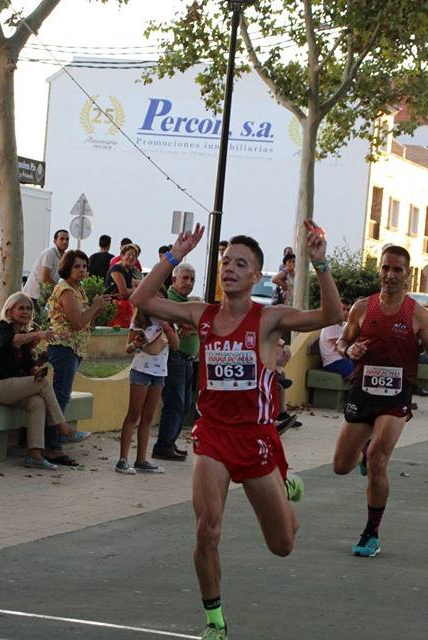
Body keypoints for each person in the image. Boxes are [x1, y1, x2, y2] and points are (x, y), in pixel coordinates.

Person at [130, 221, 342, 640]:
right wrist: (174, 255)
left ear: (256, 276)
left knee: (282, 545)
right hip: (212, 435)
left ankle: (283, 488)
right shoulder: (200, 313)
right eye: (225, 261)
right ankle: (214, 620)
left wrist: (321, 264)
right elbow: (141, 298)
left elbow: (332, 315)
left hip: (256, 438)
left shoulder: (269, 319)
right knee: (207, 530)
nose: (229, 268)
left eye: (240, 264)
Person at [332, 245, 428, 558]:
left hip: (397, 395)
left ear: (407, 274)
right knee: (341, 465)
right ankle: (364, 456)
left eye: (397, 270)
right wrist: (348, 351)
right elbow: (343, 340)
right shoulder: (362, 307)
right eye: (385, 268)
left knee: (380, 456)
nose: (389, 275)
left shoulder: (419, 315)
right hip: (363, 391)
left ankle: (371, 532)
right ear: (379, 270)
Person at [0, 293, 74, 469]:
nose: (25, 312)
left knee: (37, 402)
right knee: (42, 385)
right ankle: (62, 426)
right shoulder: (2, 328)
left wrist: (36, 367)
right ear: (10, 311)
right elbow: (9, 342)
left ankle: (34, 455)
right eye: (21, 308)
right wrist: (39, 335)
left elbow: (28, 367)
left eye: (28, 308)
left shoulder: (23, 337)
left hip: (6, 388)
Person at [45, 250, 112, 431]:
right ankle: (52, 445)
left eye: (84, 266)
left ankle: (54, 443)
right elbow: (77, 322)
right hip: (64, 347)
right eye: (77, 266)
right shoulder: (66, 289)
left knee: (63, 395)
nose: (82, 270)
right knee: (61, 396)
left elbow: (85, 318)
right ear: (67, 268)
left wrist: (97, 308)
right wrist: (95, 306)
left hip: (75, 348)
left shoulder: (78, 289)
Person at [116, 295, 178, 474]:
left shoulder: (167, 323)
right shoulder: (140, 322)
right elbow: (127, 349)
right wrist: (136, 343)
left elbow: (175, 346)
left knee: (148, 418)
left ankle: (141, 460)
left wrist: (167, 327)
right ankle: (122, 460)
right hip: (141, 371)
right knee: (133, 415)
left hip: (159, 374)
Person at [153, 262, 199, 461]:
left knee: (184, 403)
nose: (189, 283)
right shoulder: (172, 301)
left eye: (192, 280)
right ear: (174, 280)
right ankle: (163, 445)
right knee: (175, 403)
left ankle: (170, 442)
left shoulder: (186, 302)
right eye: (185, 278)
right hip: (175, 358)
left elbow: (200, 323)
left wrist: (193, 325)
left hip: (187, 360)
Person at [23, 229, 70, 304]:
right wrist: (60, 288)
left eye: (67, 239)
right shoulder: (49, 253)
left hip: (45, 296)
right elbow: (45, 277)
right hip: (33, 295)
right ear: (55, 241)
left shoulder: (64, 256)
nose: (65, 242)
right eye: (62, 239)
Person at [106, 243, 141, 329]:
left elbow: (132, 287)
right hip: (114, 309)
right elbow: (124, 292)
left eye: (134, 256)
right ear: (122, 255)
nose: (132, 258)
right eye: (129, 255)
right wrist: (134, 290)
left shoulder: (128, 270)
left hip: (124, 309)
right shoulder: (116, 269)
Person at [319, 298, 354, 377]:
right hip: (333, 362)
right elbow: (339, 347)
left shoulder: (342, 325)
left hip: (342, 360)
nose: (346, 312)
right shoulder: (332, 325)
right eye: (343, 309)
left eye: (348, 310)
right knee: (359, 371)